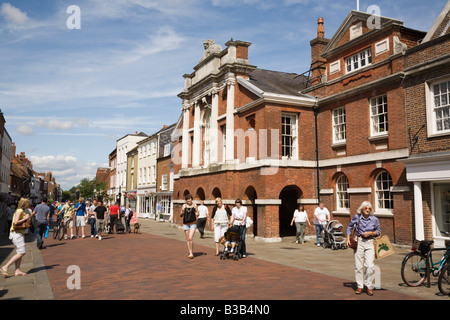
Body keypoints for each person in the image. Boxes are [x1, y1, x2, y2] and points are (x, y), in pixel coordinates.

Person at [346, 201, 381, 296]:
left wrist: (371, 233)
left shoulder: (374, 219)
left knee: (370, 266)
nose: (368, 210)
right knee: (358, 266)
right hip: (359, 242)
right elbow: (349, 227)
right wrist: (348, 238)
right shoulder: (357, 217)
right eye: (366, 208)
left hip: (370, 242)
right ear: (362, 208)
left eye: (370, 209)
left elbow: (378, 232)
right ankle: (360, 286)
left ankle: (368, 285)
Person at [1, 198, 32, 277]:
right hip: (16, 234)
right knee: (22, 252)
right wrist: (25, 218)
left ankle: (17, 270)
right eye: (28, 203)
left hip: (18, 234)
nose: (29, 204)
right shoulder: (20, 211)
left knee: (19, 252)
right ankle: (5, 266)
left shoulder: (21, 210)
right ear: (25, 203)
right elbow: (15, 222)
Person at [180, 194, 198, 259]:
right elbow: (181, 214)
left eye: (190, 199)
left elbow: (197, 213)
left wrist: (197, 214)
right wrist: (182, 213)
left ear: (191, 199)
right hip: (186, 224)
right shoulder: (184, 206)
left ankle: (191, 253)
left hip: (193, 223)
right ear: (186, 200)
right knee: (188, 239)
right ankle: (190, 252)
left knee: (190, 238)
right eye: (187, 199)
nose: (189, 200)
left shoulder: (195, 205)